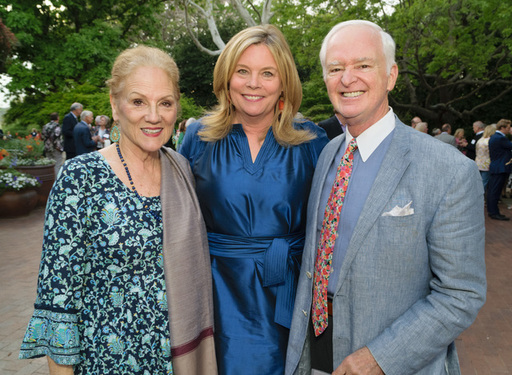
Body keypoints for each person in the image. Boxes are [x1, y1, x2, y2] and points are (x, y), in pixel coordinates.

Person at [286, 20, 486, 375]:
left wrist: (380, 358)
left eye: (363, 65)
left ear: (391, 75)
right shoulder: (328, 153)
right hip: (313, 353)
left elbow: (460, 294)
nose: (348, 78)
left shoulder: (449, 170)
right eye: (336, 68)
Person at [19, 45, 217, 375]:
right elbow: (59, 303)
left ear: (176, 108)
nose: (153, 116)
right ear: (115, 103)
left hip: (177, 362)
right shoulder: (79, 178)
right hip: (106, 363)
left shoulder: (181, 170)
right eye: (138, 101)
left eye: (165, 103)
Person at [179, 24, 329, 375]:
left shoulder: (311, 141)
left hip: (284, 291)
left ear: (283, 81)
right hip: (216, 292)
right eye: (242, 71)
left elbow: (329, 225)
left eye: (267, 73)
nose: (253, 84)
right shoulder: (198, 137)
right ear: (226, 77)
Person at [487, 118, 512, 220]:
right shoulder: (500, 138)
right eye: (509, 128)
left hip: (496, 166)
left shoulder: (495, 137)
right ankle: (494, 212)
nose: (509, 130)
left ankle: (492, 211)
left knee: (493, 190)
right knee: (495, 191)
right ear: (503, 127)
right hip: (500, 167)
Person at [475, 124, 497, 193]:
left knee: (478, 182)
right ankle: (480, 198)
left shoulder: (480, 140)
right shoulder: (490, 141)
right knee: (484, 182)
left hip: (478, 162)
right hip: (486, 164)